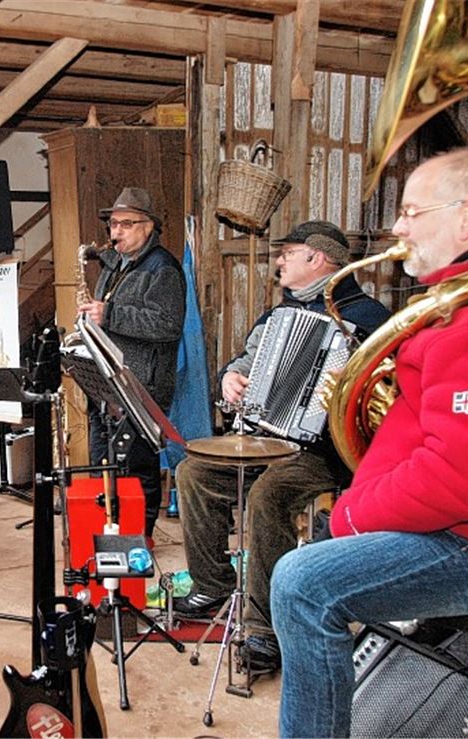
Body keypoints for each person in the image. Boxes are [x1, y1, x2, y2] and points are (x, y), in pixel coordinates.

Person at [271, 147, 468, 737]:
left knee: (302, 585)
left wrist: (356, 513)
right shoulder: (458, 304)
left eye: (412, 212)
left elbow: (465, 480)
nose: (398, 228)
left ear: (467, 218)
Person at [174, 220, 391, 672]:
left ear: (317, 258)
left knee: (268, 495)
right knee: (192, 473)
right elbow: (244, 361)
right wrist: (230, 378)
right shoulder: (278, 316)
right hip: (263, 437)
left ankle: (263, 628)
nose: (278, 261)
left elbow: (387, 397)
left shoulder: (369, 319)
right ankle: (212, 584)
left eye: (286, 253)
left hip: (323, 453)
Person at [77, 187, 185, 539]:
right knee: (105, 461)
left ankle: (142, 534)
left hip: (142, 384)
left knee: (137, 465)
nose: (115, 232)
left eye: (125, 223)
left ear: (148, 226)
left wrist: (110, 314)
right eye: (112, 224)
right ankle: (109, 527)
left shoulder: (163, 268)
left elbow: (167, 325)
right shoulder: (115, 264)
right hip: (110, 378)